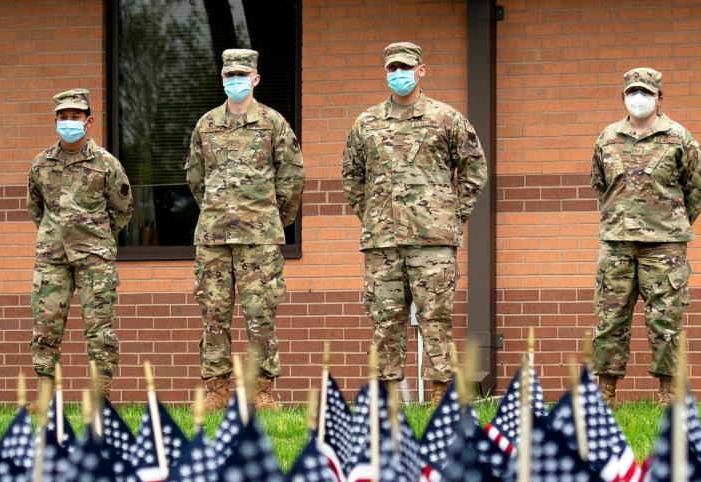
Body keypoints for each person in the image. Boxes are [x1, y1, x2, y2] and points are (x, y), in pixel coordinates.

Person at [341, 41, 487, 406]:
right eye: (392, 68)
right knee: (385, 319)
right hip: (382, 242)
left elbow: (474, 168)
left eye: (405, 68)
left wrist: (453, 214)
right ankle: (387, 398)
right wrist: (372, 214)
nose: (398, 74)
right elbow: (351, 175)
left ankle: (440, 396)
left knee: (436, 318)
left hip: (433, 240)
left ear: (421, 70)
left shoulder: (445, 118)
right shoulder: (367, 122)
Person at [186, 48, 305, 412]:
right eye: (228, 76)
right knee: (214, 314)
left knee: (261, 315)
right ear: (222, 80)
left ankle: (262, 390)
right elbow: (195, 177)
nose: (234, 81)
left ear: (255, 79)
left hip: (260, 238)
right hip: (214, 238)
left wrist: (271, 218)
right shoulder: (206, 125)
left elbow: (292, 177)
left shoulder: (273, 123)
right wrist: (216, 212)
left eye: (241, 75)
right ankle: (217, 389)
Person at [590, 67, 701, 407]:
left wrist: (673, 222)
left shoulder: (679, 138)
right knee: (610, 319)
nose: (638, 99)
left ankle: (668, 394)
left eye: (645, 92)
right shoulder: (607, 138)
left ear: (660, 98)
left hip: (664, 246)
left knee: (666, 320)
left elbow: (699, 185)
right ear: (623, 97)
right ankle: (606, 393)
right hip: (617, 243)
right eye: (632, 92)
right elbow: (602, 186)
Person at [27, 88, 133, 399]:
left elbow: (123, 209)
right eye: (63, 117)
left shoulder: (106, 164)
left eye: (76, 116)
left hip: (94, 258)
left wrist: (97, 235)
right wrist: (55, 233)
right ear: (55, 120)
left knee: (100, 329)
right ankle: (46, 396)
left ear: (89, 122)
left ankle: (101, 393)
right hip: (52, 258)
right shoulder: (40, 164)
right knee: (45, 327)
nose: (69, 122)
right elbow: (36, 208)